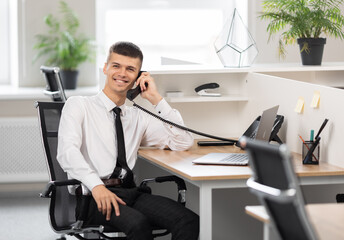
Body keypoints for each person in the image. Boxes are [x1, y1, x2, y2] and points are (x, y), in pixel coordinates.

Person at [57, 41, 199, 240]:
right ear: (106, 68)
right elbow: (67, 152)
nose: (122, 73)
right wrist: (96, 186)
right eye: (116, 66)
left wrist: (156, 99)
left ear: (138, 77)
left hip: (130, 192)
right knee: (138, 225)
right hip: (93, 197)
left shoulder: (137, 116)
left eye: (130, 69)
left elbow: (183, 142)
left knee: (188, 221)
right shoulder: (79, 105)